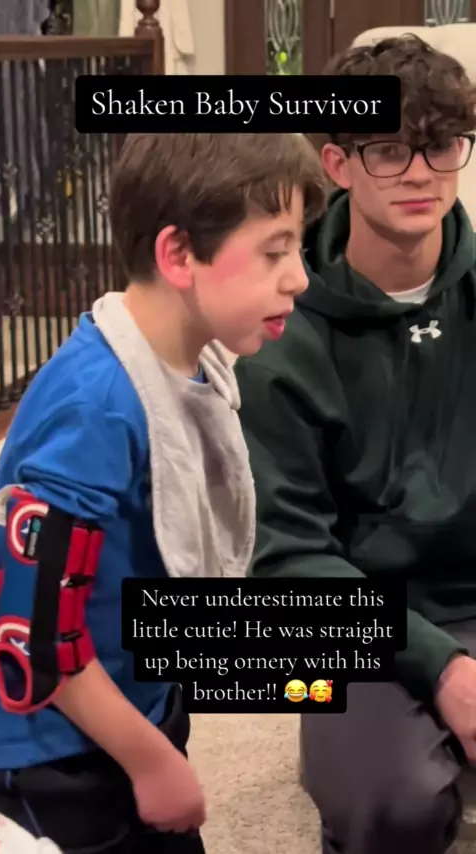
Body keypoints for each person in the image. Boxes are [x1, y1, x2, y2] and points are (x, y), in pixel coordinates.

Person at [0, 133, 326, 854]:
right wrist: (150, 761)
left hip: (136, 697)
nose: (299, 278)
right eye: (274, 252)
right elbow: (37, 636)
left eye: (299, 249)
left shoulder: (193, 363)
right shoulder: (95, 409)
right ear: (179, 255)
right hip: (57, 752)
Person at [234, 35, 476, 854]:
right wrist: (441, 666)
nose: (420, 173)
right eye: (389, 149)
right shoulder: (278, 331)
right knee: (391, 806)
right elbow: (285, 554)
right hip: (355, 618)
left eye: (441, 145)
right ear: (337, 163)